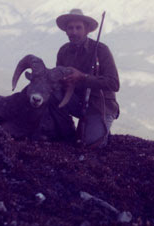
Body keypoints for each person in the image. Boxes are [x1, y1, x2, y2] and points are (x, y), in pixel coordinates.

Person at [41, 8, 120, 148]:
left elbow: (114, 83)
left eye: (78, 28)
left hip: (99, 106)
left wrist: (83, 77)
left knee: (91, 145)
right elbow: (59, 82)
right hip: (77, 101)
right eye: (70, 28)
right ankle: (68, 133)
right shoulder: (63, 51)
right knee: (51, 95)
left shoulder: (101, 50)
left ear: (87, 30)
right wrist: (63, 82)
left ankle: (99, 129)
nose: (74, 32)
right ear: (66, 31)